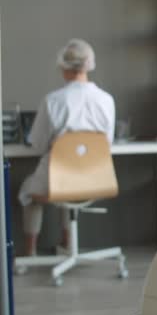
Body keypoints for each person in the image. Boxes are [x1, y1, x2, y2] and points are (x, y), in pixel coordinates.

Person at [18, 39, 115, 256]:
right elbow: (107, 143)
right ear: (89, 64)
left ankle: (30, 252)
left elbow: (38, 143)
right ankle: (68, 243)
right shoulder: (106, 100)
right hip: (95, 178)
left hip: (58, 181)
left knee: (28, 190)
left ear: (63, 66)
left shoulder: (53, 101)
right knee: (73, 185)